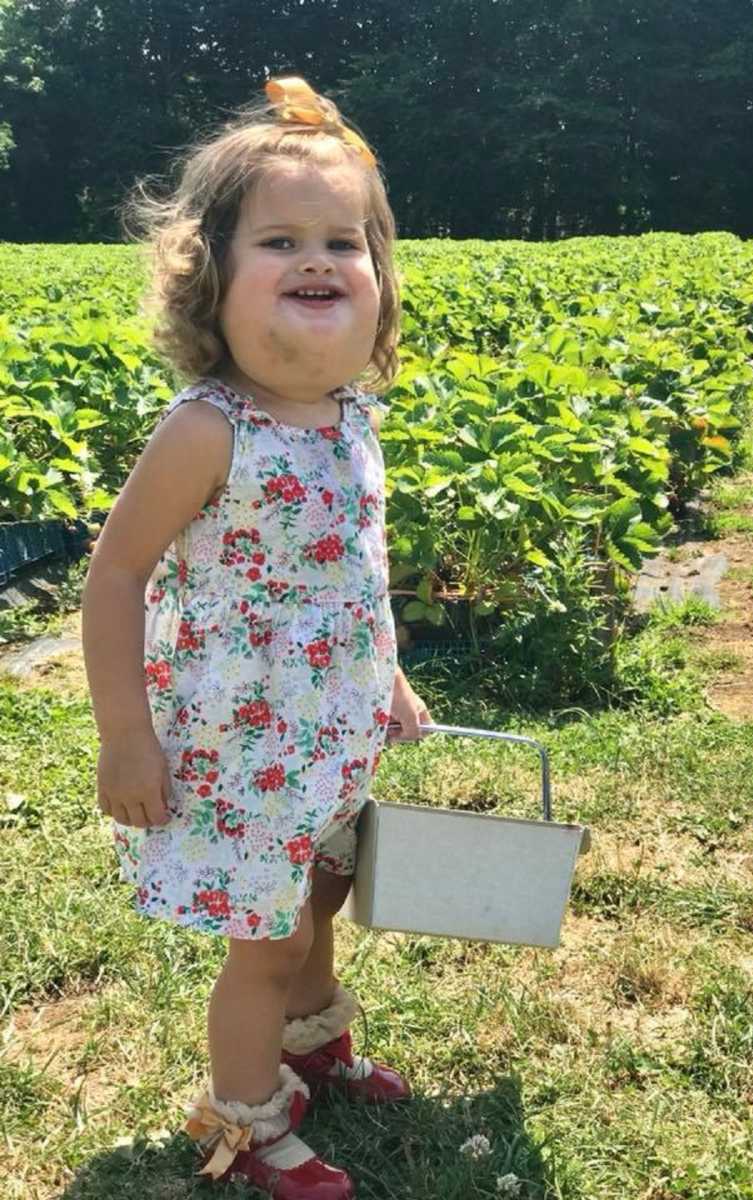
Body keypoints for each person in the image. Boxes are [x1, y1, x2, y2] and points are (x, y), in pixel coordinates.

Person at [81, 75, 432, 1200]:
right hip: (241, 747)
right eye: (281, 239)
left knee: (322, 895)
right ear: (209, 279)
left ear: (378, 282)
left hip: (331, 730)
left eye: (346, 240)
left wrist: (391, 676)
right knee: (261, 939)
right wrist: (126, 740)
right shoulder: (207, 430)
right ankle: (244, 1119)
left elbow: (355, 577)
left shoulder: (351, 420)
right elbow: (117, 574)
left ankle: (310, 1040)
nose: (320, 259)